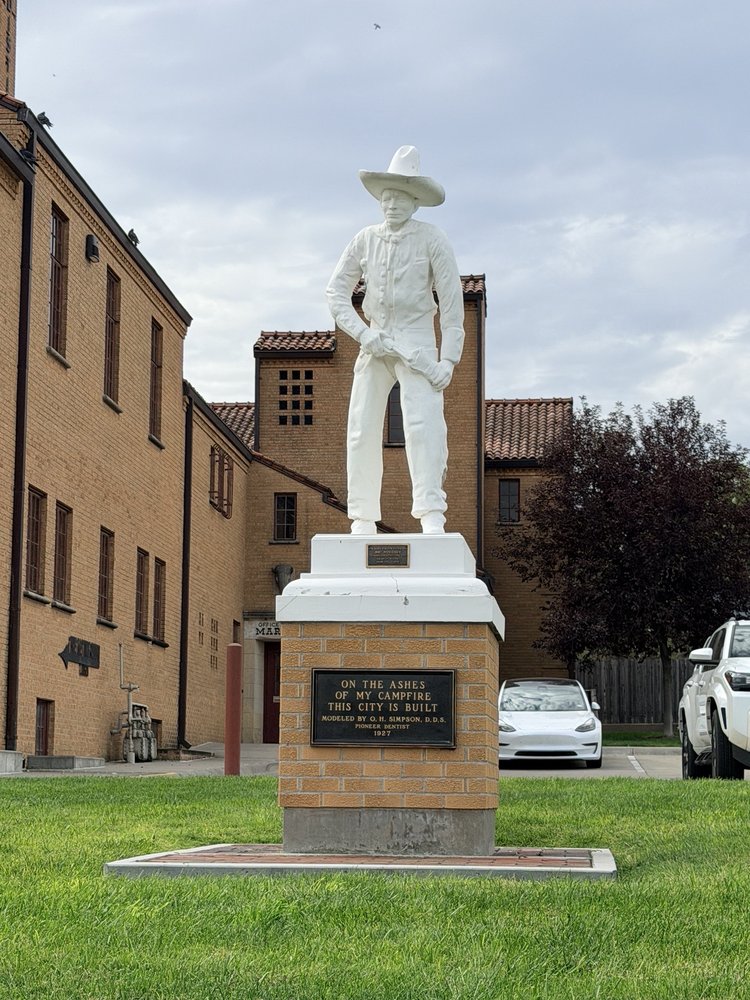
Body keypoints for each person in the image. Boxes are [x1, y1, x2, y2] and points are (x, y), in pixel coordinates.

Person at [326, 146, 464, 535]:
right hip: (375, 342)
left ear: (415, 202)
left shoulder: (434, 240)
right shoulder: (364, 239)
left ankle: (431, 511)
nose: (391, 204)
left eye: (400, 197)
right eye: (386, 196)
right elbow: (335, 293)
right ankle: (363, 516)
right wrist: (365, 335)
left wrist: (448, 361)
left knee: (424, 427)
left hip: (418, 343)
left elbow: (452, 305)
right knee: (361, 426)